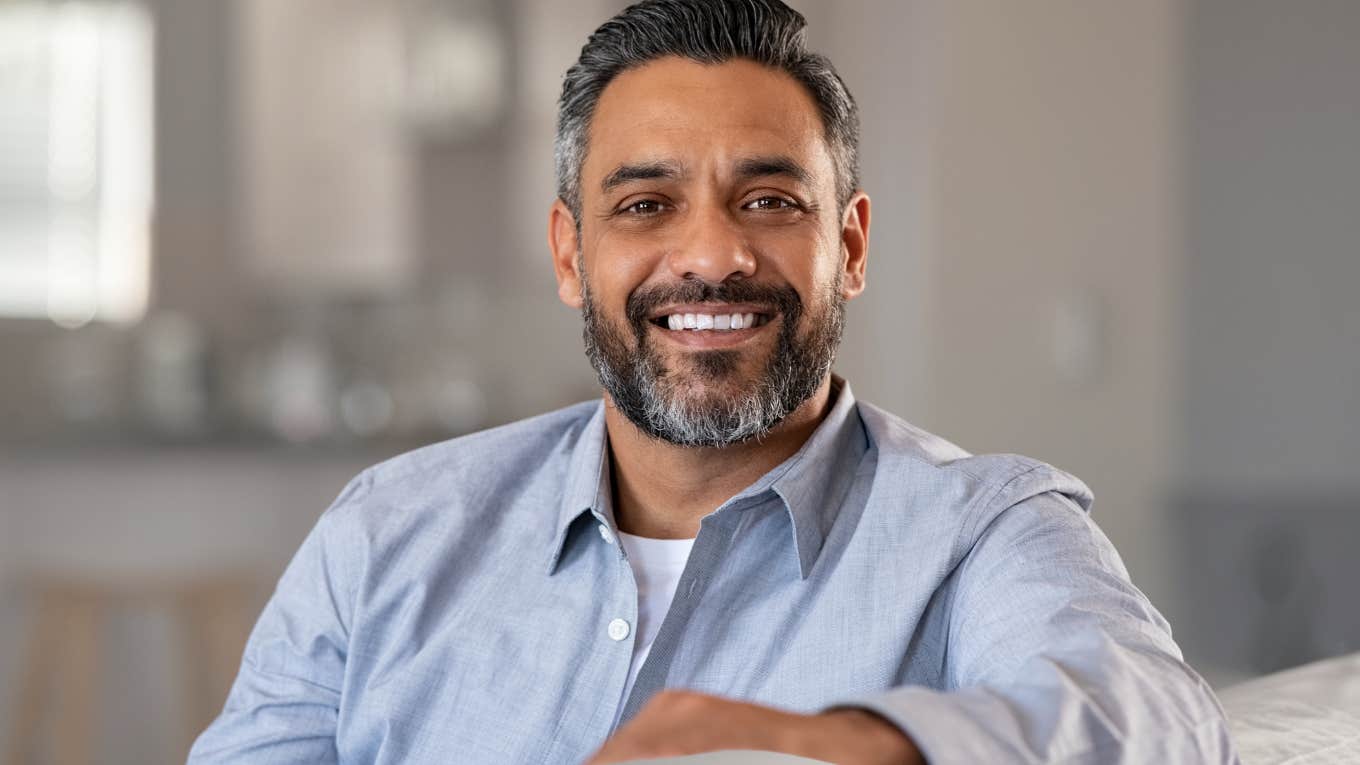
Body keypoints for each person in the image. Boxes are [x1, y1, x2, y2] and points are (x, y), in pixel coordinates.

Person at [190, 1, 1237, 762]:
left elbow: (1158, 723)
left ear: (851, 244)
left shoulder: (986, 530)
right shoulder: (388, 529)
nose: (712, 256)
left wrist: (833, 746)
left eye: (770, 200)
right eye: (646, 206)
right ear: (568, 255)